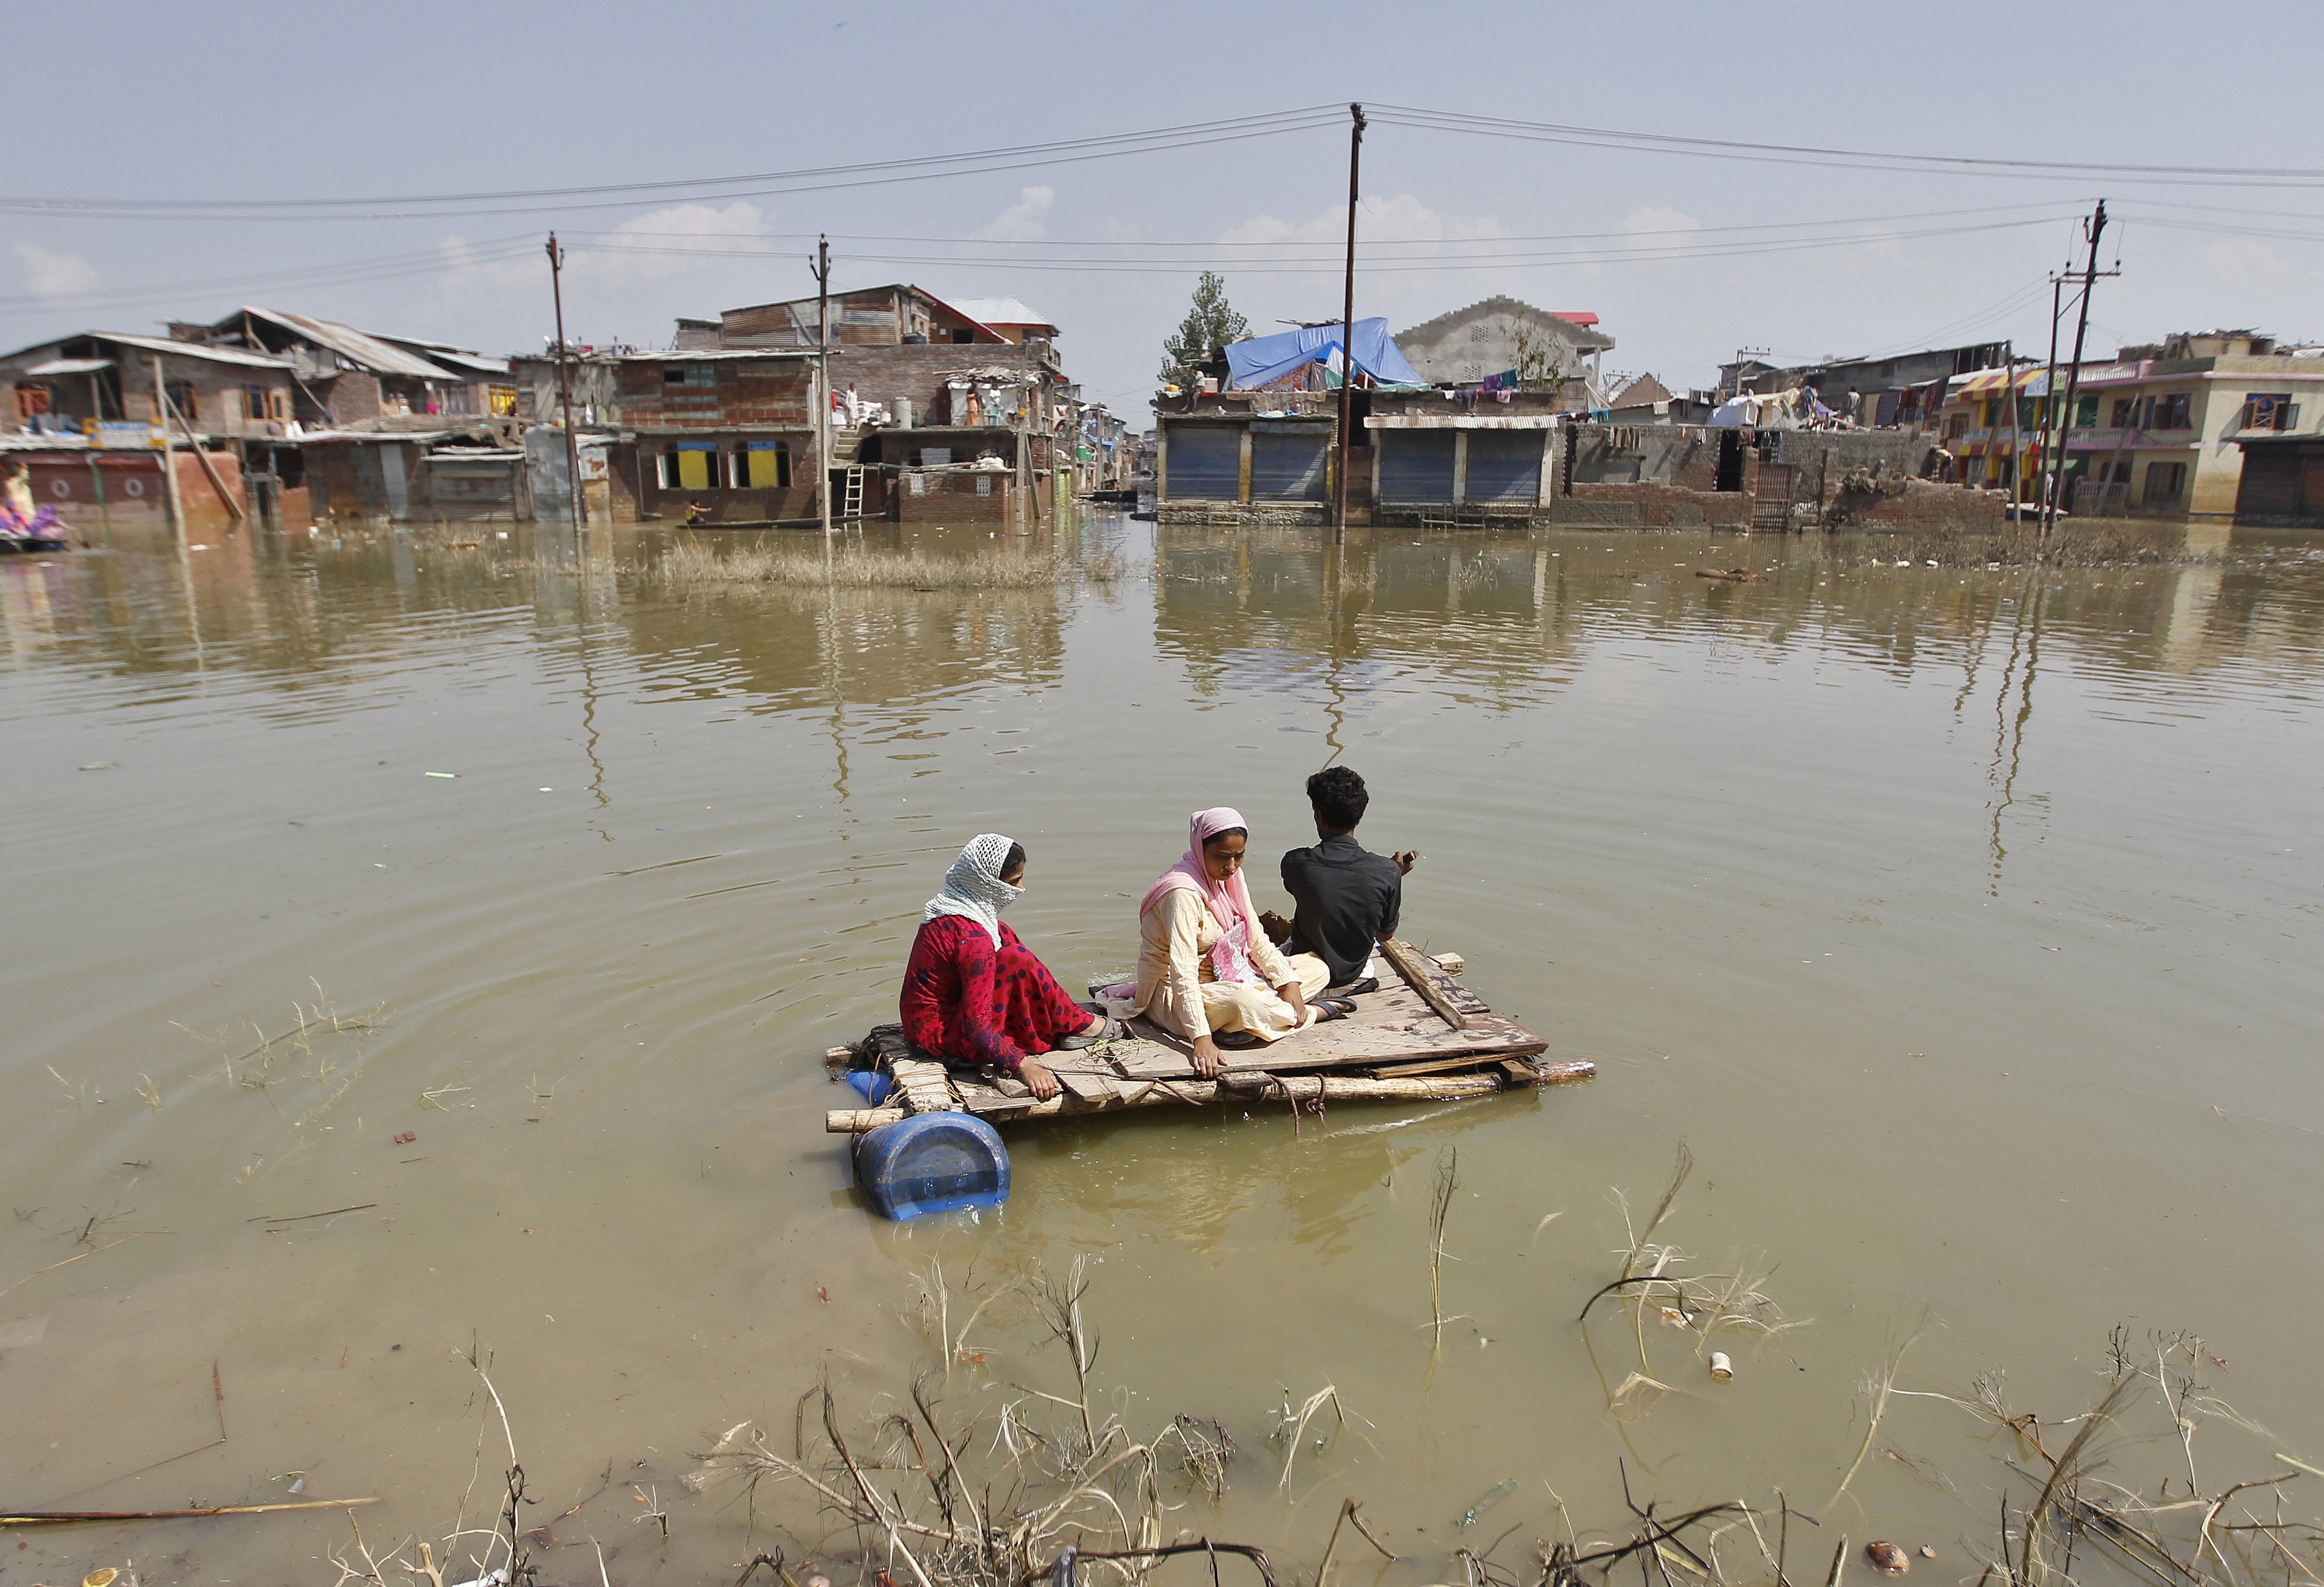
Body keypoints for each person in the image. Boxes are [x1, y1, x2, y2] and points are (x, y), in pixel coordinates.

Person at [1127, 807, 1350, 1078]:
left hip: (1233, 971)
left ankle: (1263, 1016)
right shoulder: (1181, 894)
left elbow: (1256, 941)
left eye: (1239, 856)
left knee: (1318, 967)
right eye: (1222, 857)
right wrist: (1201, 1040)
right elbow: (1182, 972)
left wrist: (1287, 983)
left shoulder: (1231, 878)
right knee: (1242, 1002)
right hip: (1176, 993)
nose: (1231, 866)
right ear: (1200, 849)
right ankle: (1311, 1014)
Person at [900, 834, 1117, 1101]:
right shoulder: (974, 940)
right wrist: (1025, 1066)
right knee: (1017, 958)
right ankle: (1079, 1024)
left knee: (1007, 942)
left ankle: (1072, 1020)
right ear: (988, 884)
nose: (1021, 888)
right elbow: (977, 1029)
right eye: (1014, 881)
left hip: (923, 1026)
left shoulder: (951, 910)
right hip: (939, 1040)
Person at [1279, 766, 1416, 994]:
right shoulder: (1387, 872)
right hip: (1354, 975)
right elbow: (1383, 935)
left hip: (1305, 975)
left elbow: (1320, 889)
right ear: (1359, 816)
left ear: (1319, 815)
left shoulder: (1295, 863)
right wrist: (1394, 876)